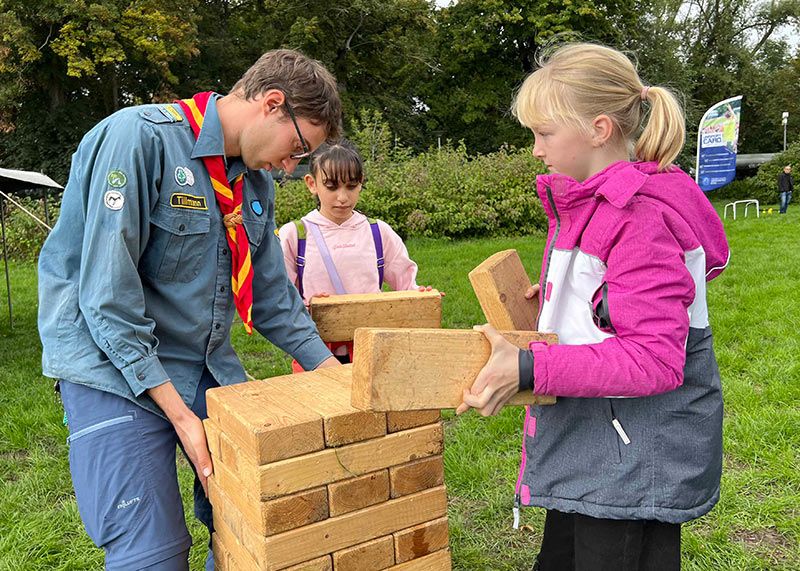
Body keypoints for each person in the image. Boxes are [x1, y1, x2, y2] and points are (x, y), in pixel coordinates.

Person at [37, 49, 343, 570]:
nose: (292, 168)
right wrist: (182, 417)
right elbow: (106, 297)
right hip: (110, 366)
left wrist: (335, 376)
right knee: (153, 553)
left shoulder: (253, 183)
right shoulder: (139, 138)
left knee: (254, 519)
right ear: (273, 104)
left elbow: (272, 297)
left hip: (200, 363)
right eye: (298, 148)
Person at [456, 43, 730, 571]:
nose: (536, 149)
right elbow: (611, 296)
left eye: (544, 133)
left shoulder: (639, 217)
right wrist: (560, 302)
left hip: (630, 461)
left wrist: (530, 367)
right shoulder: (592, 201)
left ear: (599, 128)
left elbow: (655, 357)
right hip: (598, 449)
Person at [278, 139, 435, 370]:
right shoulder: (295, 235)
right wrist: (306, 304)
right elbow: (280, 296)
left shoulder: (378, 232)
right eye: (331, 186)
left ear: (361, 183)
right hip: (317, 351)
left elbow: (406, 283)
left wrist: (419, 296)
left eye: (351, 186)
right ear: (312, 184)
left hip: (371, 349)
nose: (342, 197)